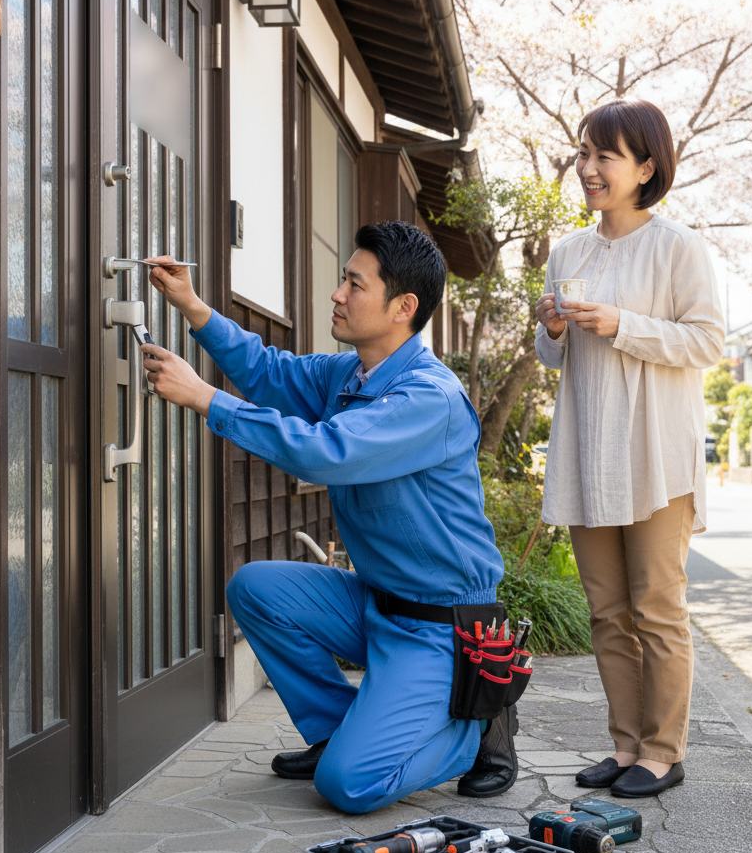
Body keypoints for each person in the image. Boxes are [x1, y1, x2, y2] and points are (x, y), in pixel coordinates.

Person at [140, 221, 515, 814]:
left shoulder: (428, 398)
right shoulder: (350, 374)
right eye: (343, 279)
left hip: (439, 628)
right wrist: (191, 304)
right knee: (257, 589)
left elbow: (328, 453)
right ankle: (339, 733)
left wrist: (205, 397)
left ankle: (474, 728)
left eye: (353, 284)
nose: (337, 294)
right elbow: (269, 372)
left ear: (403, 307)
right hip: (374, 604)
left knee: (349, 786)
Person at [534, 100, 724, 798]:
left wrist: (623, 324)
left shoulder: (678, 247)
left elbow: (707, 341)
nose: (588, 169)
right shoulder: (568, 252)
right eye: (584, 154)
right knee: (607, 612)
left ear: (646, 167)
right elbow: (553, 362)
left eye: (604, 156)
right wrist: (550, 330)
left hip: (655, 456)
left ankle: (663, 751)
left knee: (658, 609)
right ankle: (623, 746)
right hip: (589, 454)